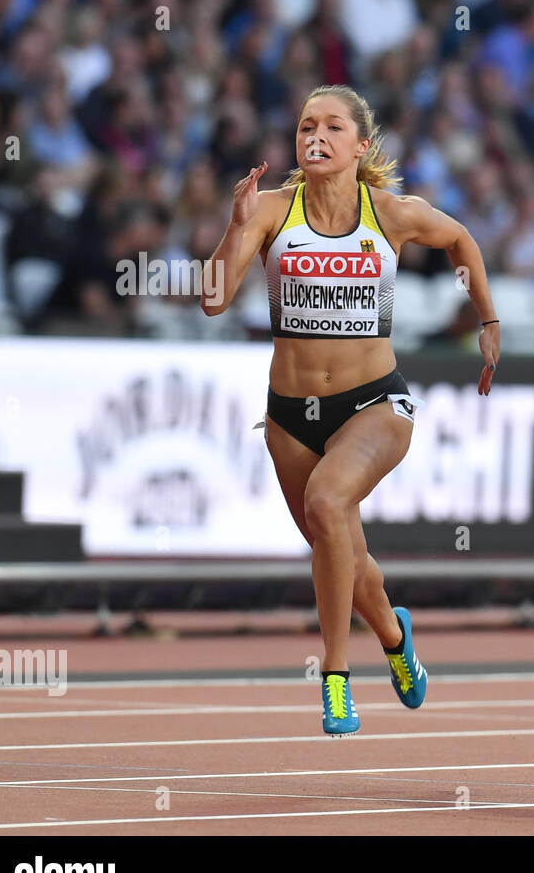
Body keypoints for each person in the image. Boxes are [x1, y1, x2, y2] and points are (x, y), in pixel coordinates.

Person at [202, 84, 500, 735]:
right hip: (289, 416)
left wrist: (489, 318)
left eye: (332, 126)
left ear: (360, 145)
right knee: (339, 549)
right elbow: (214, 299)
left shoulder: (390, 213)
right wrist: (233, 226)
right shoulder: (273, 211)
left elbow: (462, 241)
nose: (316, 135)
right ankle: (397, 639)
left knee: (329, 506)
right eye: (306, 124)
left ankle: (334, 679)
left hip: (374, 403)